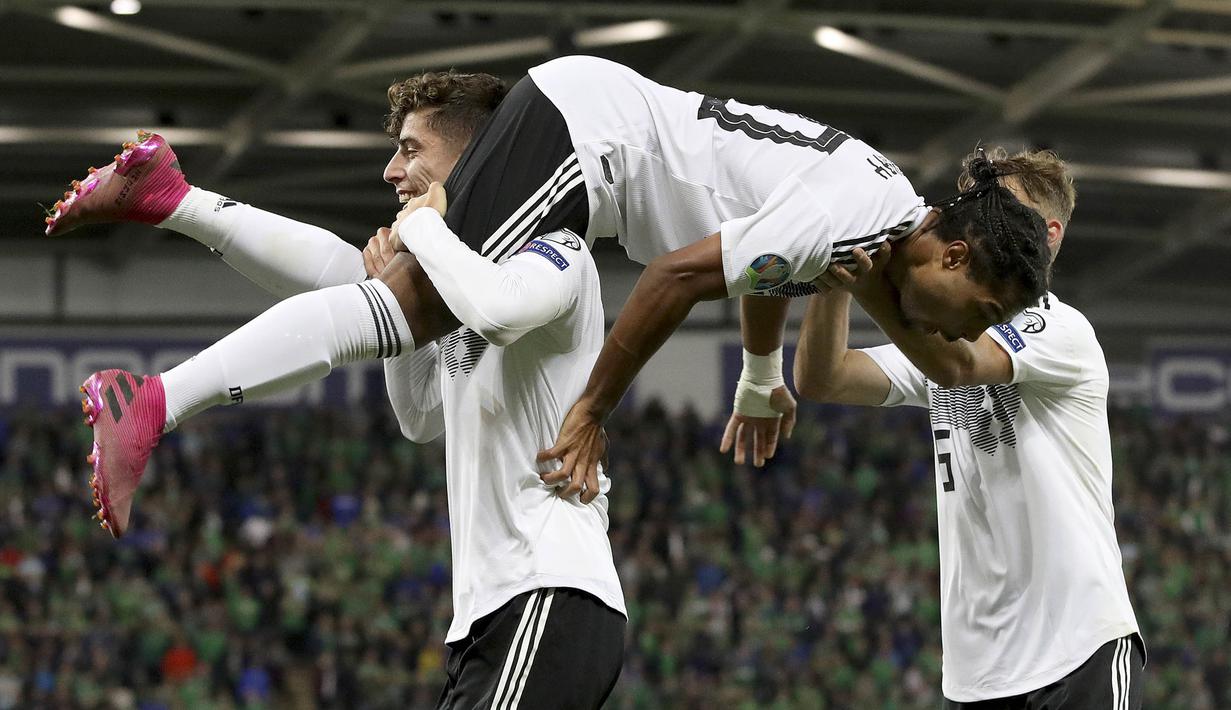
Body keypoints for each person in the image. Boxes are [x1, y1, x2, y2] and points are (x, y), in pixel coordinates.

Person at [51, 55, 1050, 538]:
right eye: (979, 308)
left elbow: (772, 271)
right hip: (588, 134)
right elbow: (674, 275)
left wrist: (755, 373)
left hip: (591, 142)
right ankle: (155, 402)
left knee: (398, 306)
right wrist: (589, 410)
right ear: (954, 254)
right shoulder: (856, 214)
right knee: (416, 306)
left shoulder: (877, 224)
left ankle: (178, 199)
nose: (964, 332)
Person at [66, 70, 627, 707]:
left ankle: (157, 368)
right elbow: (418, 415)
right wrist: (402, 275)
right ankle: (176, 201)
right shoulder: (458, 279)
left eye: (412, 150)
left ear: (475, 158)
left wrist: (422, 235)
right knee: (373, 286)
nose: (392, 171)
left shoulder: (556, 251)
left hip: (547, 591)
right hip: (497, 613)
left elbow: (495, 311)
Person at [793, 148, 1144, 708]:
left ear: (1048, 234)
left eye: (1003, 207)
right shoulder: (948, 329)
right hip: (978, 668)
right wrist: (838, 274)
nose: (982, 218)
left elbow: (955, 365)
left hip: (1077, 645)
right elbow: (823, 378)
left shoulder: (1059, 328)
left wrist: (874, 282)